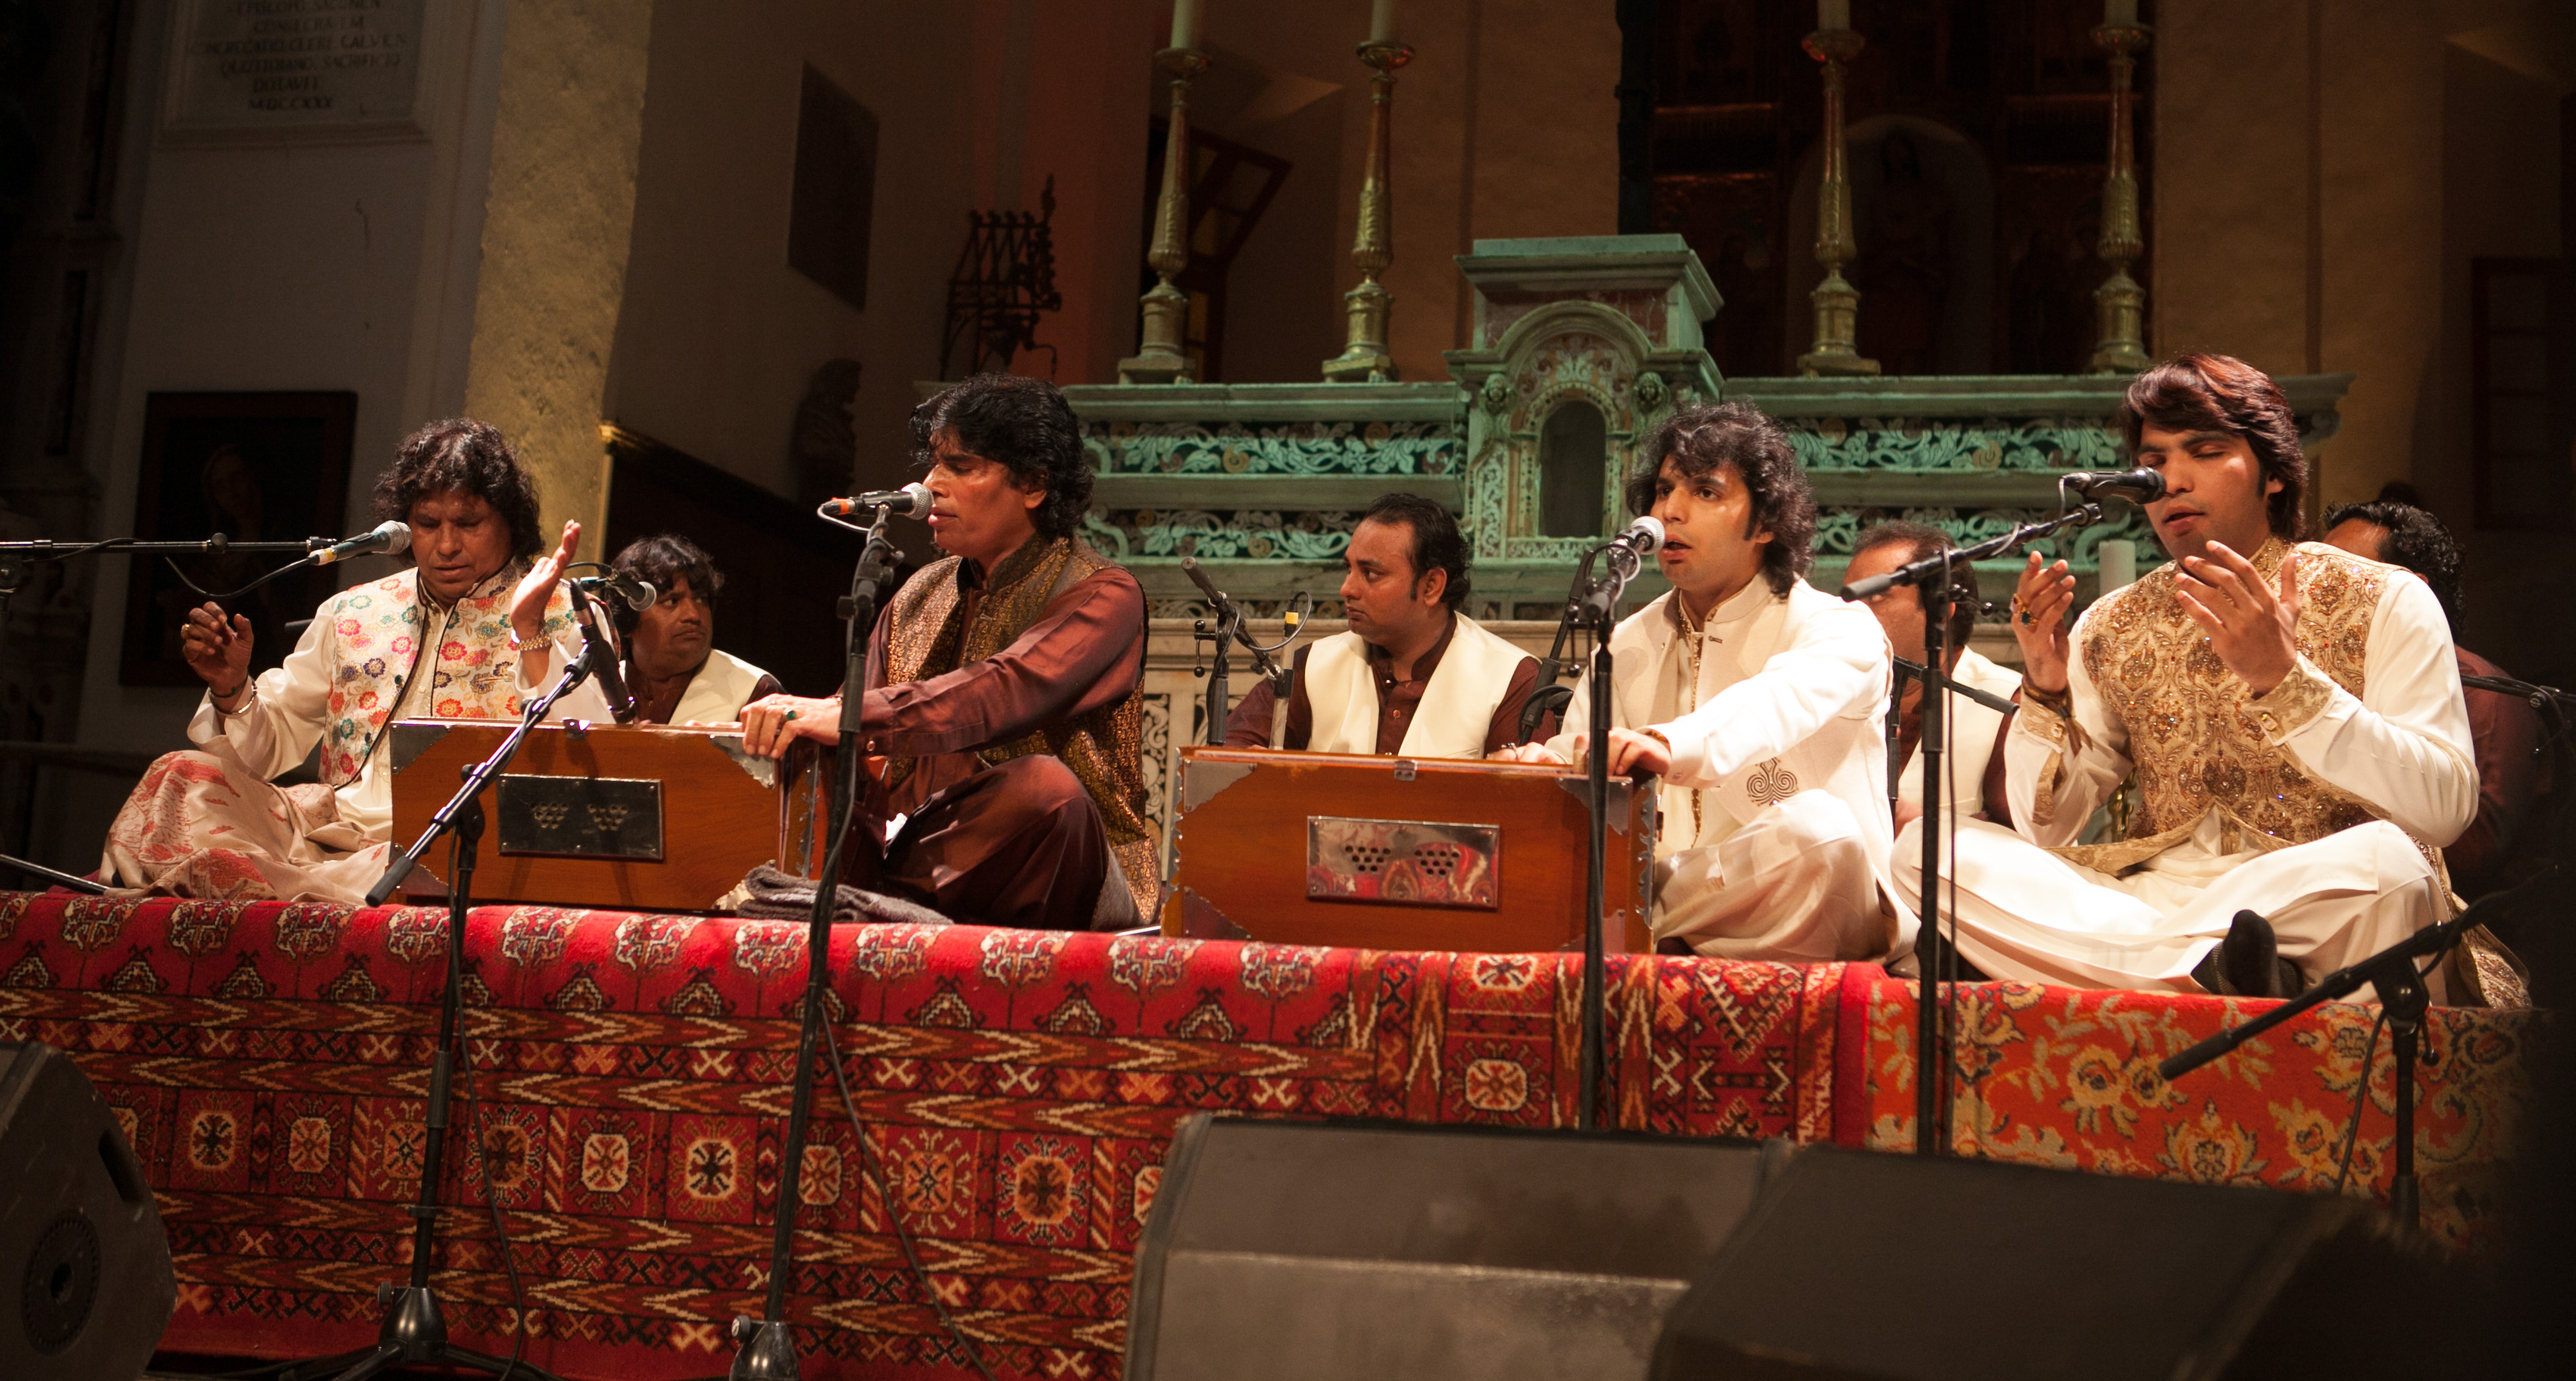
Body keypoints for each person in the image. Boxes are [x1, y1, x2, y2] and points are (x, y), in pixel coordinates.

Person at [1961, 354, 2512, 1004]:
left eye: (2204, 451)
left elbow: (2445, 808)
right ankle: (2213, 972)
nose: (2169, 480)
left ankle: (2175, 974)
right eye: (2155, 460)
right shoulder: (2110, 626)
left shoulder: (2384, 598)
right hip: (2160, 903)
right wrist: (2047, 687)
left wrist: (2286, 682)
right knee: (1937, 854)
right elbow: (2045, 829)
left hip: (2317, 899)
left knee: (2391, 870)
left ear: (2274, 475)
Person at [736, 375, 1153, 930]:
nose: (930, 484)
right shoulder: (918, 593)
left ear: (1033, 485)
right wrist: (766, 733)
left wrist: (853, 715)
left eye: (961, 466)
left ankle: (875, 902)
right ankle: (862, 901)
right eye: (934, 463)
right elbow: (845, 727)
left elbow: (1008, 690)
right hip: (919, 850)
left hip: (1060, 863)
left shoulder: (1103, 593)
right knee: (816, 756)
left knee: (1046, 791)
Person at [102, 420, 580, 901]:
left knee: (425, 864)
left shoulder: (561, 611)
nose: (446, 545)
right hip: (322, 833)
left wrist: (530, 634)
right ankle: (299, 885)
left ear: (509, 523)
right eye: (428, 524)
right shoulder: (353, 612)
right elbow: (267, 750)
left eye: (469, 523)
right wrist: (231, 687)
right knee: (182, 775)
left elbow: (590, 752)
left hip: (446, 842)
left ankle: (275, 885)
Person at [1496, 401, 1901, 962]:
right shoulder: (1626, 644)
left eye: (1705, 493)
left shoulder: (1837, 628)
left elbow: (1775, 702)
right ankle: (1669, 932)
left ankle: (1647, 928)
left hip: (1806, 904)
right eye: (1664, 491)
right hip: (1667, 891)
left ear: (1765, 523)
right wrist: (1538, 768)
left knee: (1820, 830)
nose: (1670, 514)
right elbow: (1588, 754)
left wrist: (1664, 745)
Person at [2321, 496, 2545, 897]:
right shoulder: (2313, 676)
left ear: (2411, 593)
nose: (2316, 589)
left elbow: (2473, 853)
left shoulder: (2482, 690)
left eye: (2340, 579)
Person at [1221, 493, 1550, 757]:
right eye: (1348, 569)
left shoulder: (1511, 680)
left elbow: (1524, 814)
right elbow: (1227, 757)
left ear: (1431, 586)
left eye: (1371, 574)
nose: (1347, 589)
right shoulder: (1312, 666)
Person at [1844, 522, 2020, 845]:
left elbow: (2034, 846)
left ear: (1941, 614)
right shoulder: (1830, 694)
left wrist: (1922, 830)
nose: (1852, 614)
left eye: (1877, 597)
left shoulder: (2006, 701)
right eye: (1849, 599)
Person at [532, 533, 782, 726]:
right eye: (672, 601)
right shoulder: (596, 685)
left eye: (701, 599)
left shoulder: (755, 691)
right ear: (629, 619)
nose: (693, 616)